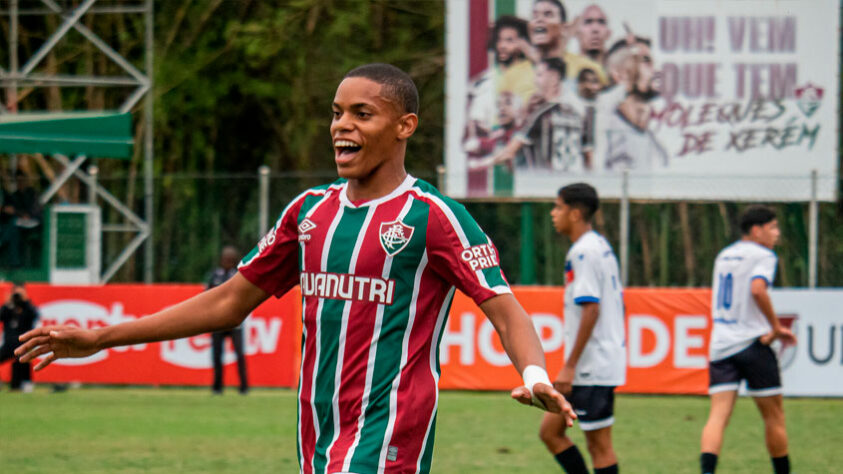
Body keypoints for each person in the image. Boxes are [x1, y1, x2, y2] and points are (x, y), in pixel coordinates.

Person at [16, 63, 575, 474]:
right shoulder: (308, 213)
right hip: (317, 432)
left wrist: (533, 375)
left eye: (362, 114)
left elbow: (505, 309)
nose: (341, 126)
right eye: (336, 113)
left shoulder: (434, 218)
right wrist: (103, 337)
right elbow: (227, 302)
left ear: (405, 126)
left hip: (387, 434)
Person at [700, 205, 796, 474]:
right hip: (754, 343)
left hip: (721, 344)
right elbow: (757, 289)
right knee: (774, 417)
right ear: (757, 230)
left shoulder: (724, 255)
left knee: (717, 417)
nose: (777, 234)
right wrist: (776, 327)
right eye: (773, 228)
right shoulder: (764, 255)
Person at [540, 183, 625, 474]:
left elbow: (592, 308)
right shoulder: (598, 245)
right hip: (592, 363)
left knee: (600, 447)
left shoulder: (584, 252)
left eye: (558, 207)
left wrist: (570, 366)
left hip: (592, 366)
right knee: (550, 432)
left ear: (575, 213)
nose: (554, 214)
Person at [492, 57, 587, 172]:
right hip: (574, 180)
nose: (535, 81)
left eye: (539, 75)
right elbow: (587, 156)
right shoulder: (576, 114)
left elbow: (509, 152)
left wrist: (486, 163)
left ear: (554, 77)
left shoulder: (541, 114)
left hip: (545, 182)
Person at [527, 0, 608, 85]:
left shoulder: (590, 69)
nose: (539, 20)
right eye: (534, 16)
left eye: (548, 14)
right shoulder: (514, 73)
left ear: (564, 28)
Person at [209, 245, 249, 395]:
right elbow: (208, 295)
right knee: (217, 355)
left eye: (231, 260)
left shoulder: (239, 275)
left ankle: (244, 387)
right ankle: (217, 387)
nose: (228, 262)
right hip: (217, 322)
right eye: (225, 259)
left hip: (235, 323)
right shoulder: (215, 275)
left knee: (239, 355)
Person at [1, 282, 39, 391]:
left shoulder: (28, 308)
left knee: (23, 360)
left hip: (23, 344)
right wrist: (7, 303)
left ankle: (24, 384)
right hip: (9, 344)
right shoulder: (8, 308)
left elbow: (34, 315)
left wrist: (25, 300)